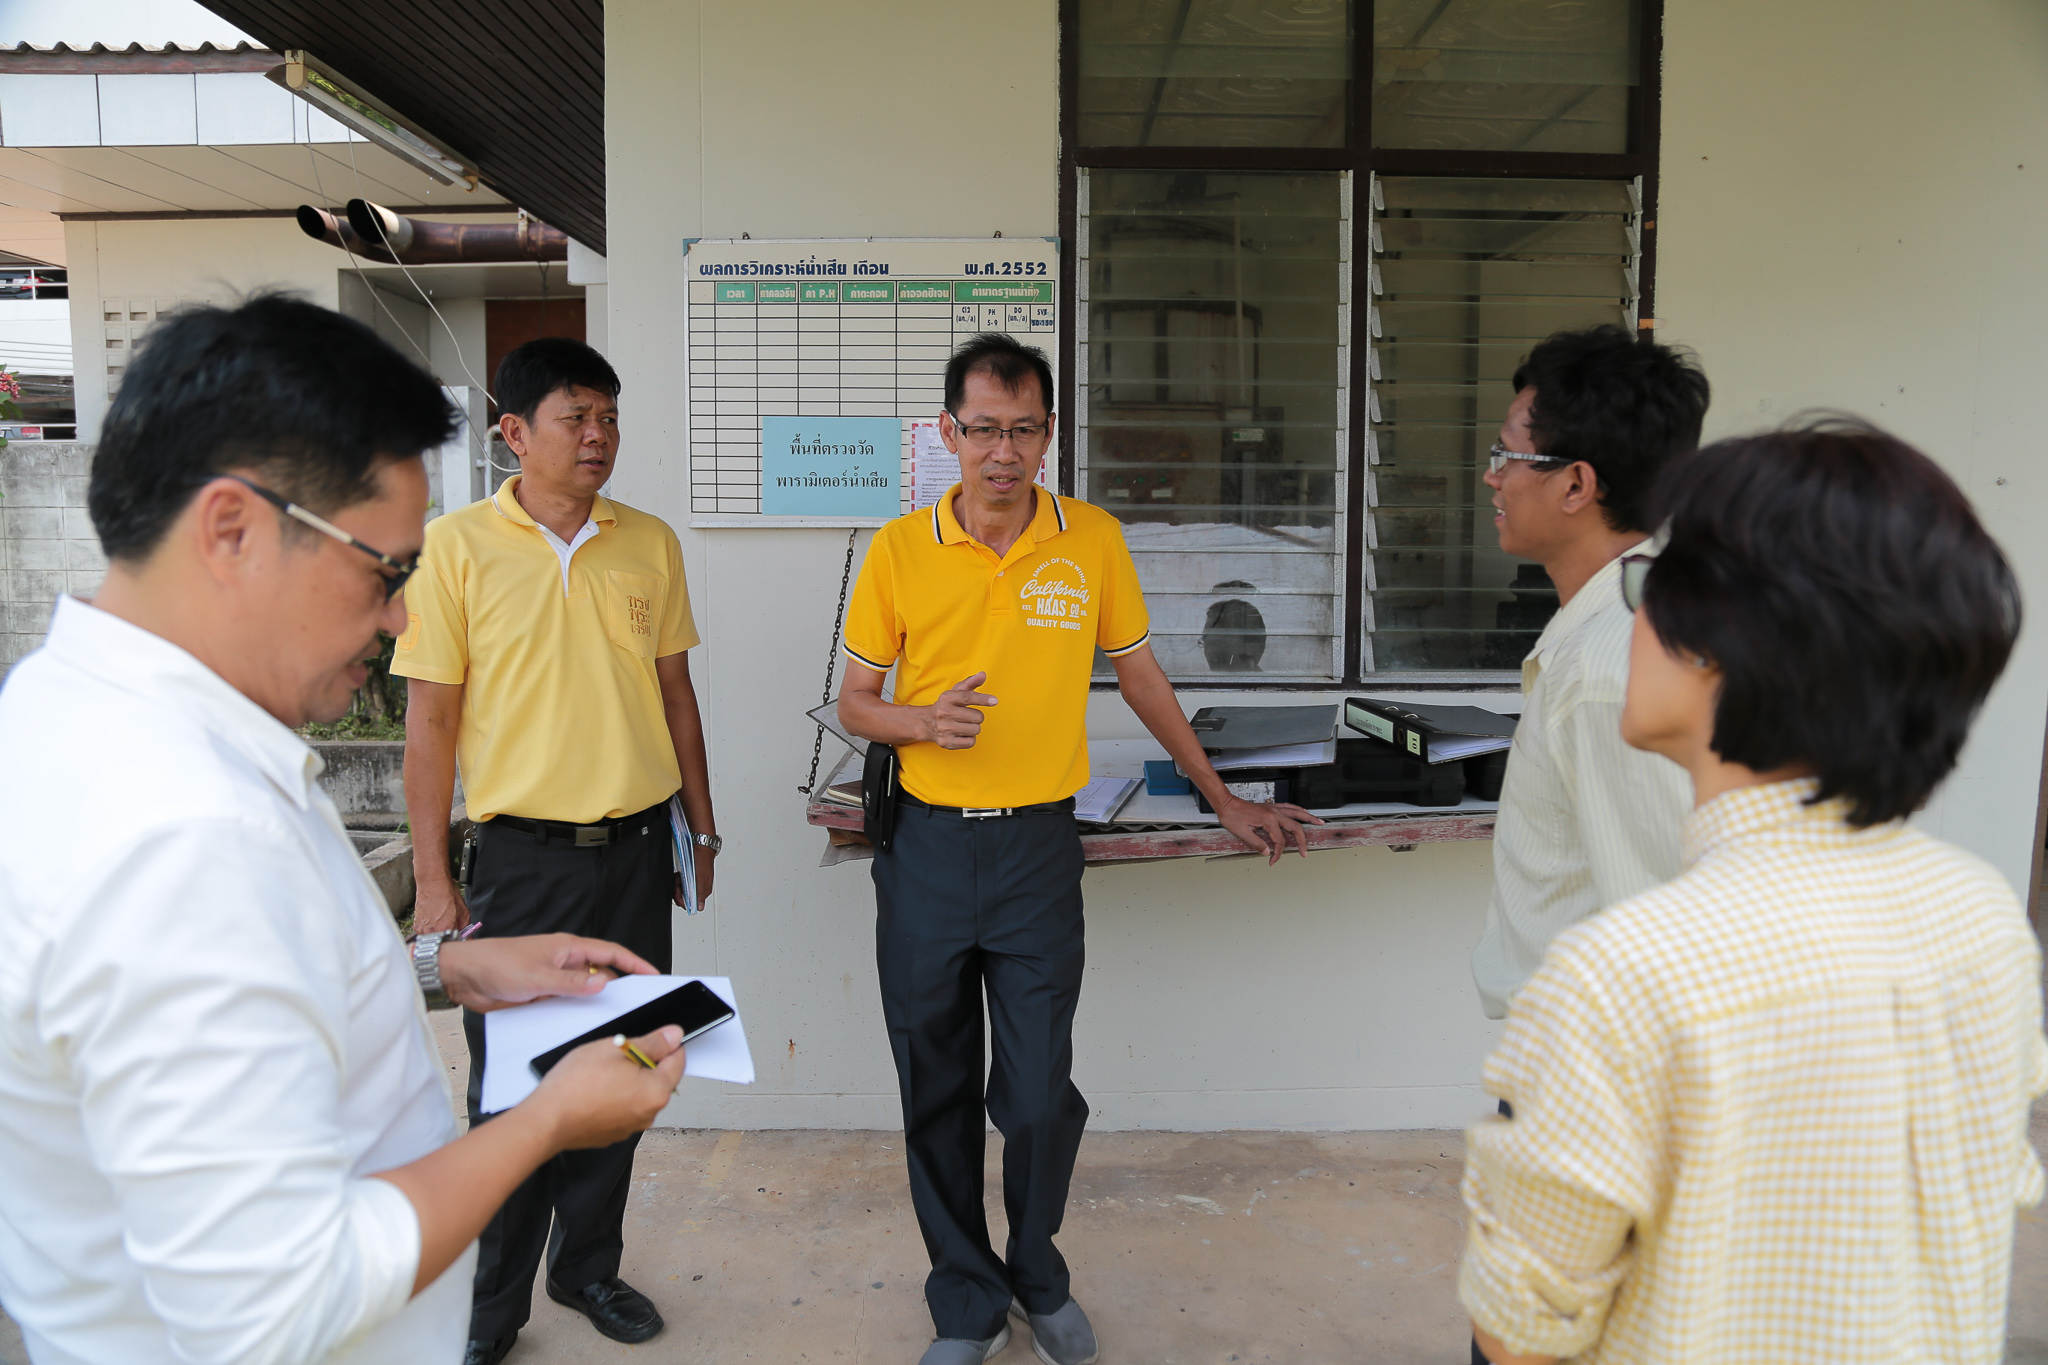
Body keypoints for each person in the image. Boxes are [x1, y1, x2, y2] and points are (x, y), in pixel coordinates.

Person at [0, 295, 688, 1365]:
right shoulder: (184, 836)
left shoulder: (67, 715)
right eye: (387, 570)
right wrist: (543, 1122)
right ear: (231, 529)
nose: (401, 618)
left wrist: (451, 971)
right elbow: (275, 1303)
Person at [1460, 420, 2048, 1365]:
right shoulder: (1981, 916)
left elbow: (1521, 1333)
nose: (1632, 613)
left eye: (1653, 582)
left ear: (1726, 646)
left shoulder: (1618, 974)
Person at [838, 333, 1323, 1365]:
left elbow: (1141, 677)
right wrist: (922, 724)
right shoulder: (897, 549)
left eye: (1021, 430)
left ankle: (1037, 1271)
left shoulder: (1090, 540)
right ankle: (964, 1304)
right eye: (981, 430)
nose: (1000, 452)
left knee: (1035, 1092)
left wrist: (1218, 794)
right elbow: (856, 704)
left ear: (1048, 436)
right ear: (947, 434)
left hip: (1034, 857)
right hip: (924, 851)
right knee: (933, 1083)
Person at [393, 337, 716, 1364]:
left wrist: (699, 826)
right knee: (513, 1091)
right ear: (514, 433)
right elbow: (429, 729)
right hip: (522, 863)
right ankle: (492, 1311)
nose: (598, 437)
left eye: (610, 418)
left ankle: (588, 1270)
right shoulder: (456, 548)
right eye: (577, 418)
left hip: (635, 852)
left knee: (630, 1063)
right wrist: (436, 885)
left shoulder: (648, 542)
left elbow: (675, 695)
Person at [1469, 324, 1712, 1023]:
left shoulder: (1612, 670)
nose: (1492, 476)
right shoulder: (1647, 616)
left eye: (1507, 456)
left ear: (1577, 483)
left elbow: (1667, 927)